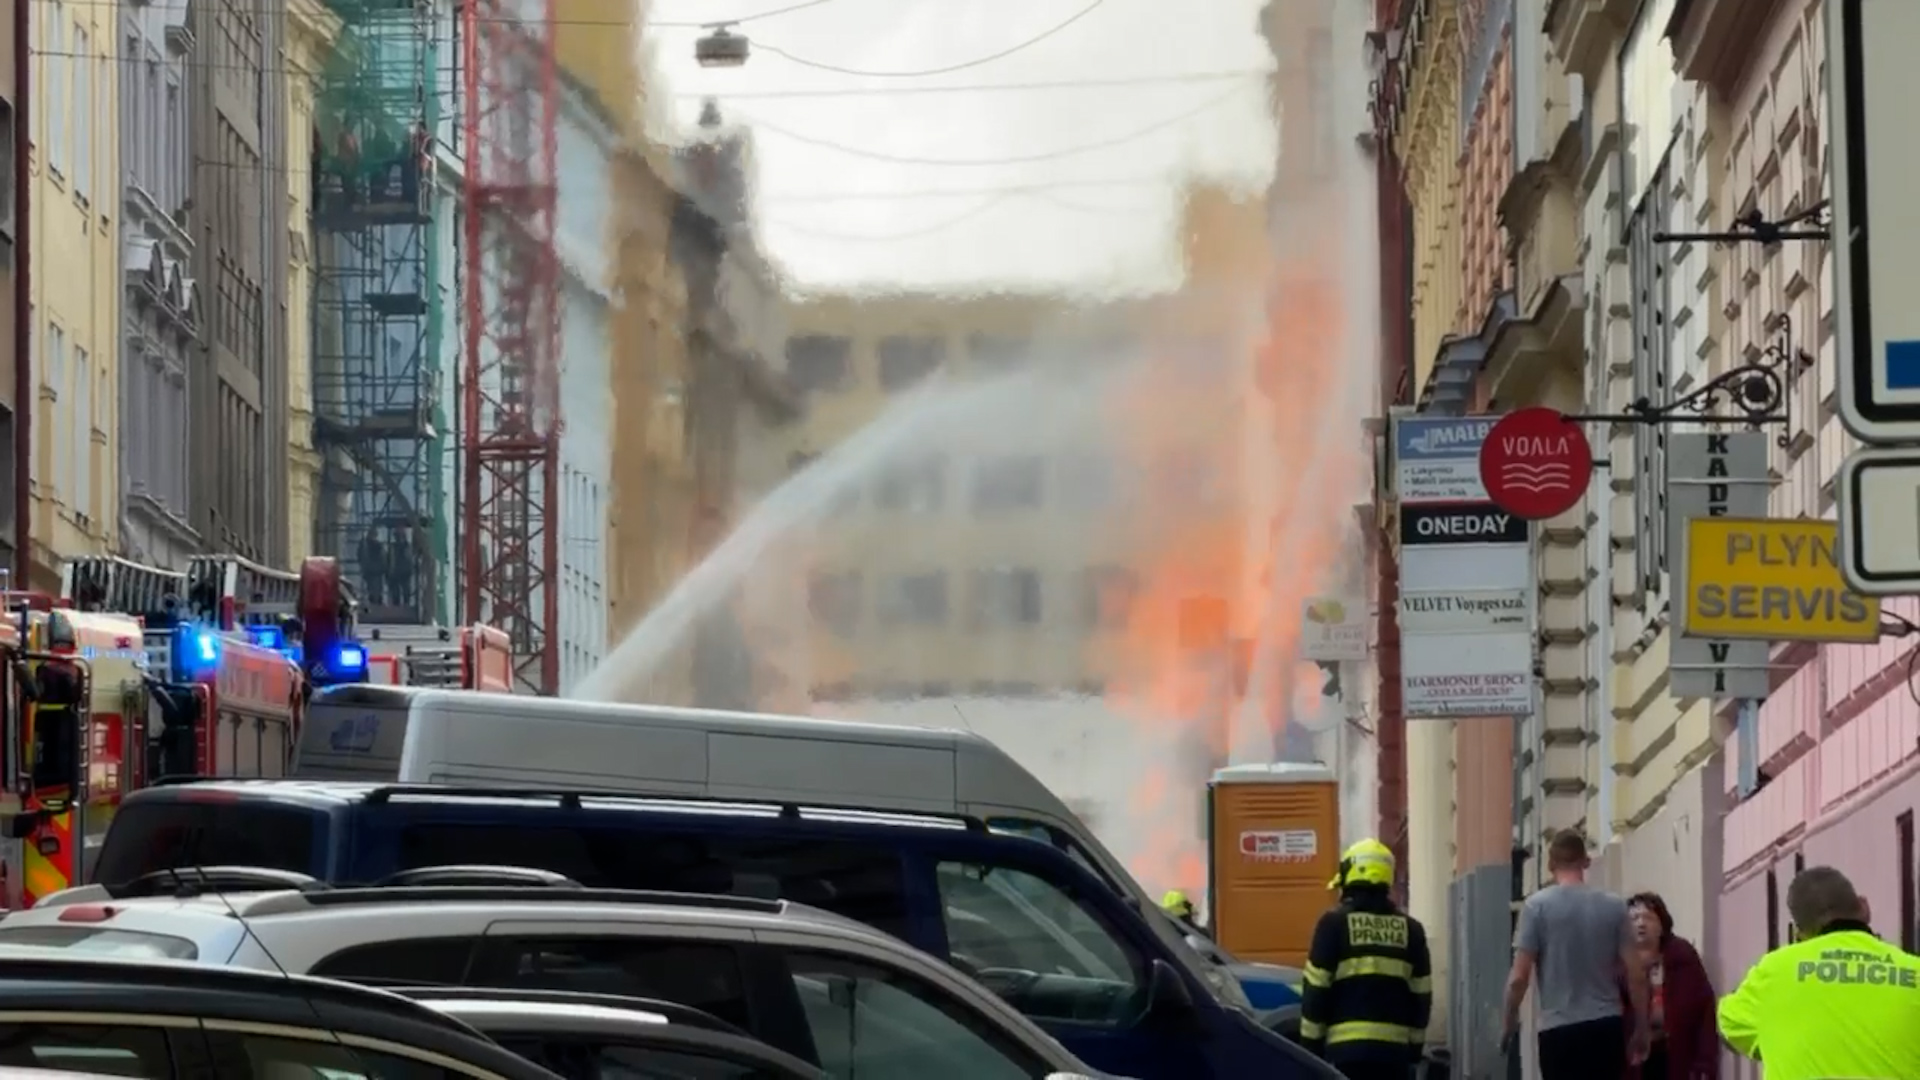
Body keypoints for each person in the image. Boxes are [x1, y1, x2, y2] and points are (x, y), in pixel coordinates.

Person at [1718, 865, 1920, 1078]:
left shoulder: (1773, 973)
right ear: (1864, 907)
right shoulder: (1915, 972)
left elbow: (1728, 1028)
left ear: (1799, 934)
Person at [1501, 829, 1649, 1080]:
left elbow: (1518, 979)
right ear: (1586, 861)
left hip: (1558, 1032)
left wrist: (1509, 1021)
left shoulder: (1536, 907)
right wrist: (1641, 1028)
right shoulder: (1614, 906)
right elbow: (1636, 974)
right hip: (1606, 1026)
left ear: (1550, 865)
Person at [1298, 838, 1432, 1080]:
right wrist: (1414, 1050)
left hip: (1344, 1057)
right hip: (1394, 1057)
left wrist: (1310, 1049)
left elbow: (1316, 991)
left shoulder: (1333, 925)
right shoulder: (1412, 930)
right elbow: (1421, 996)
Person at [1624, 892, 1717, 1079]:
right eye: (1634, 918)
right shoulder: (1618, 965)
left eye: (1648, 917)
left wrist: (1705, 1062)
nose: (1641, 924)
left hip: (1676, 1057)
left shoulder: (1682, 958)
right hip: (1633, 1062)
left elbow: (1704, 1009)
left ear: (1661, 925)